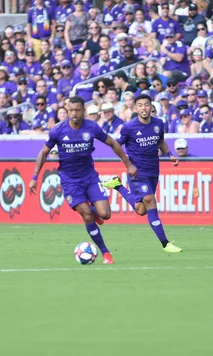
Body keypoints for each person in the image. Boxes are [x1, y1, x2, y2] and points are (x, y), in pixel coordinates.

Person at [28, 96, 137, 265]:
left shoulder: (91, 127)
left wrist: (128, 164)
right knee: (86, 214)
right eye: (70, 110)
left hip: (90, 177)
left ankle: (95, 211)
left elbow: (112, 143)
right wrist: (35, 178)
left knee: (105, 214)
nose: (73, 114)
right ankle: (106, 253)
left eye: (77, 110)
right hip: (70, 181)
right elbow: (43, 153)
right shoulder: (58, 130)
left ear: (83, 111)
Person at [102, 94, 182, 253]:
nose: (144, 108)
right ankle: (165, 244)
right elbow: (116, 146)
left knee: (141, 210)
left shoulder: (158, 123)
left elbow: (160, 141)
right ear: (136, 107)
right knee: (150, 201)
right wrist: (128, 164)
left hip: (153, 170)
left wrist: (169, 153)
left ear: (151, 106)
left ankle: (118, 186)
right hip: (137, 172)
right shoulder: (129, 127)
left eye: (146, 104)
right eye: (140, 105)